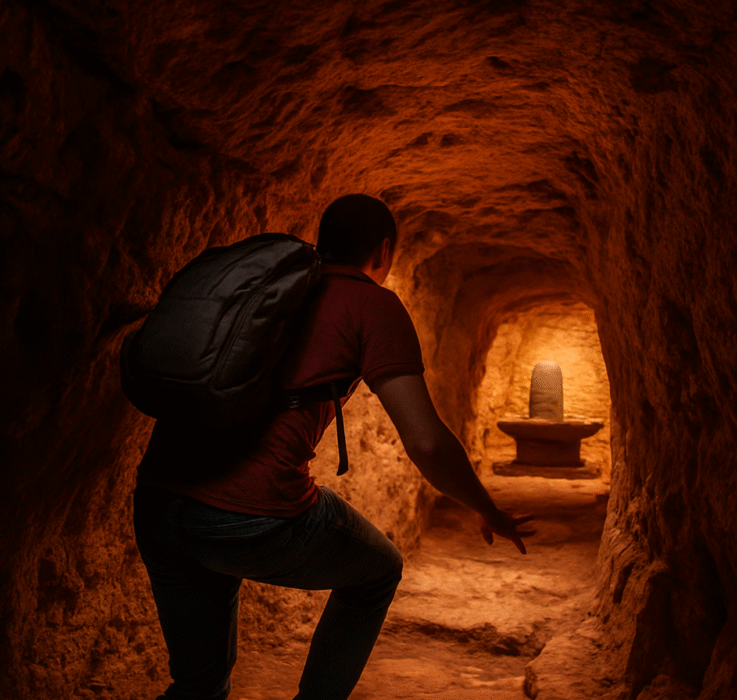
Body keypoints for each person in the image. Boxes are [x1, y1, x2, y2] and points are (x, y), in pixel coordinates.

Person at [132, 194, 535, 700]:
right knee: (377, 571)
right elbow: (427, 442)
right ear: (384, 250)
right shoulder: (372, 303)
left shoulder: (266, 290)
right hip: (252, 517)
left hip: (159, 503)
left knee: (198, 685)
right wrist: (486, 507)